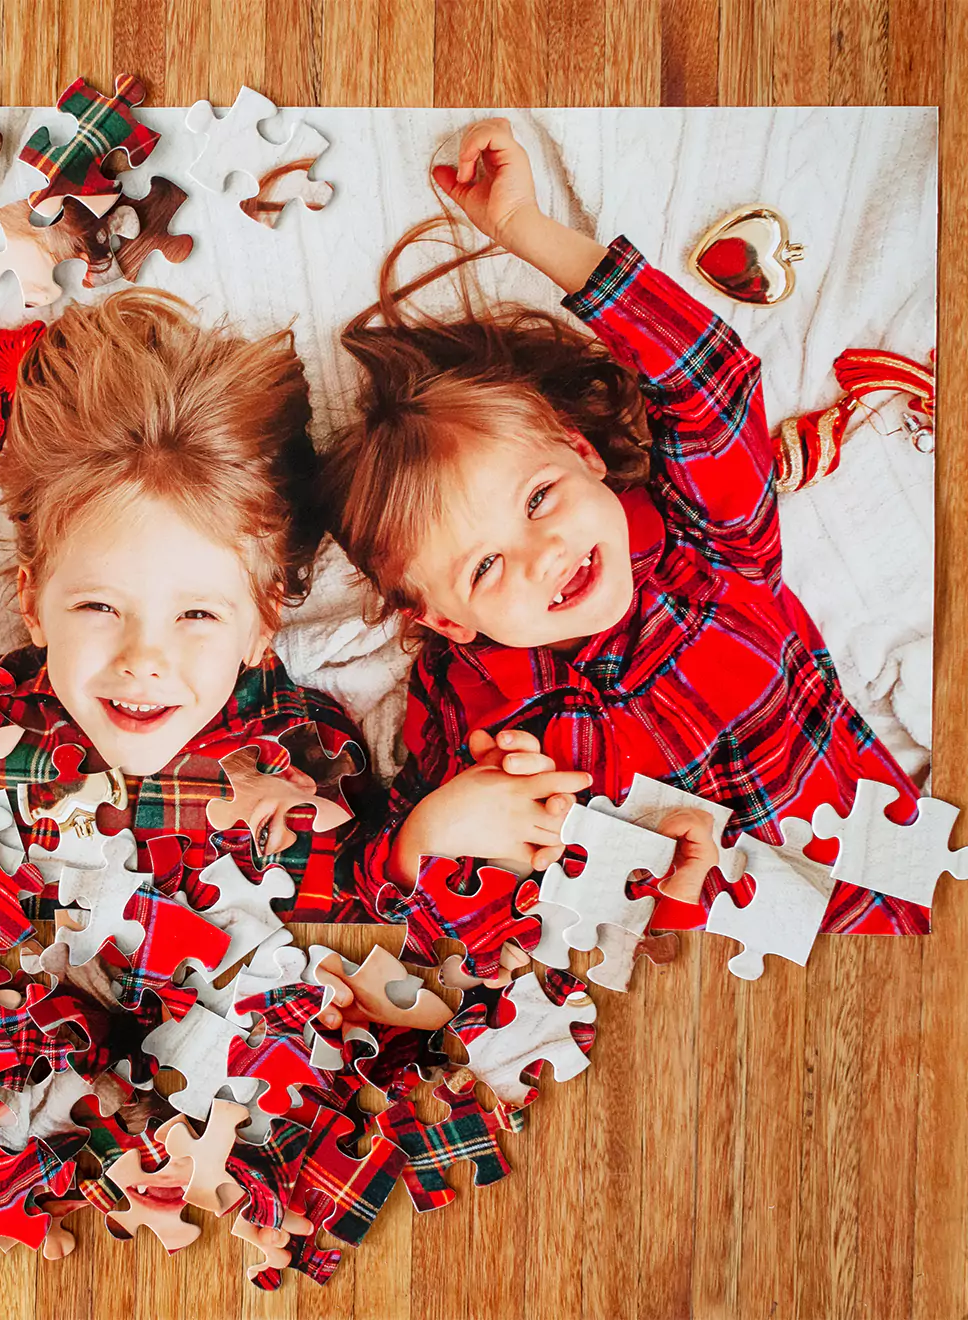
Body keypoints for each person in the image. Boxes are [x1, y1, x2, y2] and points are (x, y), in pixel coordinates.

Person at [321, 117, 926, 935]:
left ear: (583, 454)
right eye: (483, 567)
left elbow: (711, 385)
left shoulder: (708, 554)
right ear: (442, 618)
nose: (544, 555)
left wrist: (527, 232)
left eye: (538, 499)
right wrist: (429, 839)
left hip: (889, 906)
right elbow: (441, 921)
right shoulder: (478, 717)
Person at [0, 288, 373, 921]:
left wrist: (312, 836)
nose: (144, 658)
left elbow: (353, 929)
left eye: (197, 615)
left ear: (263, 621)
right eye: (99, 607)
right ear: (31, 602)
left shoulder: (299, 744)